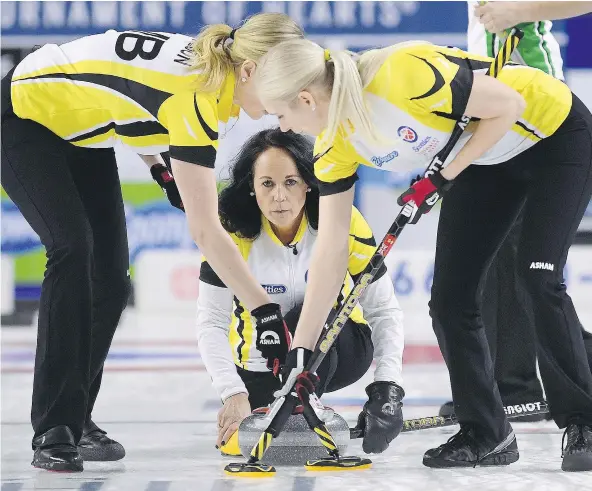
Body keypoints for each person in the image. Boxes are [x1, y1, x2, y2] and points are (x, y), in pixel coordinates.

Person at [252, 37, 592, 471]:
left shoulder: (399, 75)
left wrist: (443, 175)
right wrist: (302, 350)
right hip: (486, 161)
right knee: (450, 301)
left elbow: (508, 105)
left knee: (536, 276)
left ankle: (583, 421)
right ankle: (487, 432)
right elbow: (332, 250)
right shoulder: (333, 149)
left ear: (305, 98)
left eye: (281, 114)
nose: (281, 127)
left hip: (553, 134)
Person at [0, 13, 304, 472]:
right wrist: (263, 310)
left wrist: (159, 167)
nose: (285, 98)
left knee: (112, 283)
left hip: (82, 131)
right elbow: (204, 231)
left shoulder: (210, 70)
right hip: (23, 115)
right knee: (72, 249)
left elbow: (129, 103)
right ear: (249, 71)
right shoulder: (199, 96)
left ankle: (77, 416)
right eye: (282, 82)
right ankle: (54, 426)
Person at [196, 127, 405, 456]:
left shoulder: (342, 221)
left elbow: (382, 310)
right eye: (267, 183)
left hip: (341, 347)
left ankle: (305, 406)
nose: (279, 196)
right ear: (251, 186)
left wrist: (387, 389)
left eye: (290, 182)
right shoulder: (230, 231)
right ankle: (290, 406)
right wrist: (233, 394)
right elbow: (212, 320)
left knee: (300, 317)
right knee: (241, 446)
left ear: (308, 182)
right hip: (263, 363)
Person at [438, 0, 592, 422]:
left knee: (523, 267)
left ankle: (515, 387)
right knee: (503, 267)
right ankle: (515, 383)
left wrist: (521, 10)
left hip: (538, 112)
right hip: (493, 109)